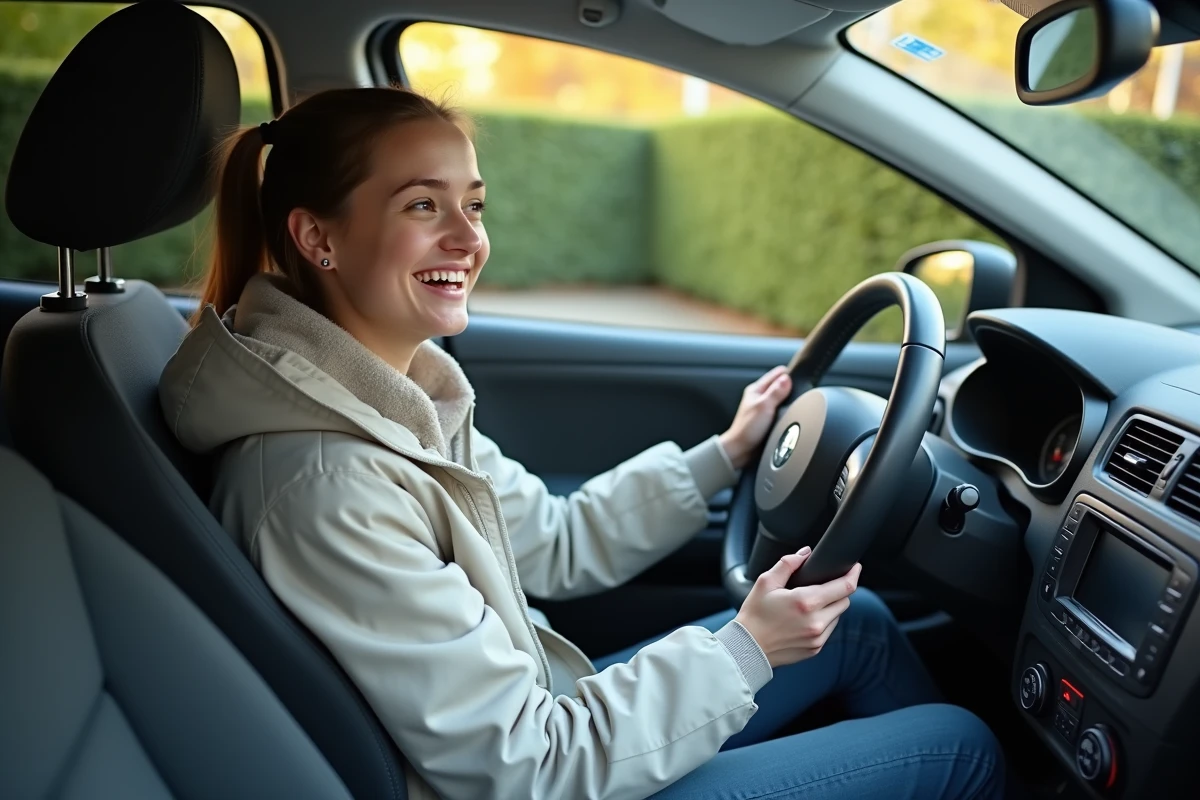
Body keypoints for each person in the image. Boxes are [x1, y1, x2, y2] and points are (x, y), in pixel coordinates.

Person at [158, 87, 1005, 800]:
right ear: (319, 239)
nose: (468, 237)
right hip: (540, 776)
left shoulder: (392, 404)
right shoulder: (326, 482)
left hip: (547, 729)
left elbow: (554, 543)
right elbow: (524, 766)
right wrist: (749, 648)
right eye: (423, 205)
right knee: (960, 745)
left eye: (474, 204)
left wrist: (727, 453)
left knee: (851, 621)